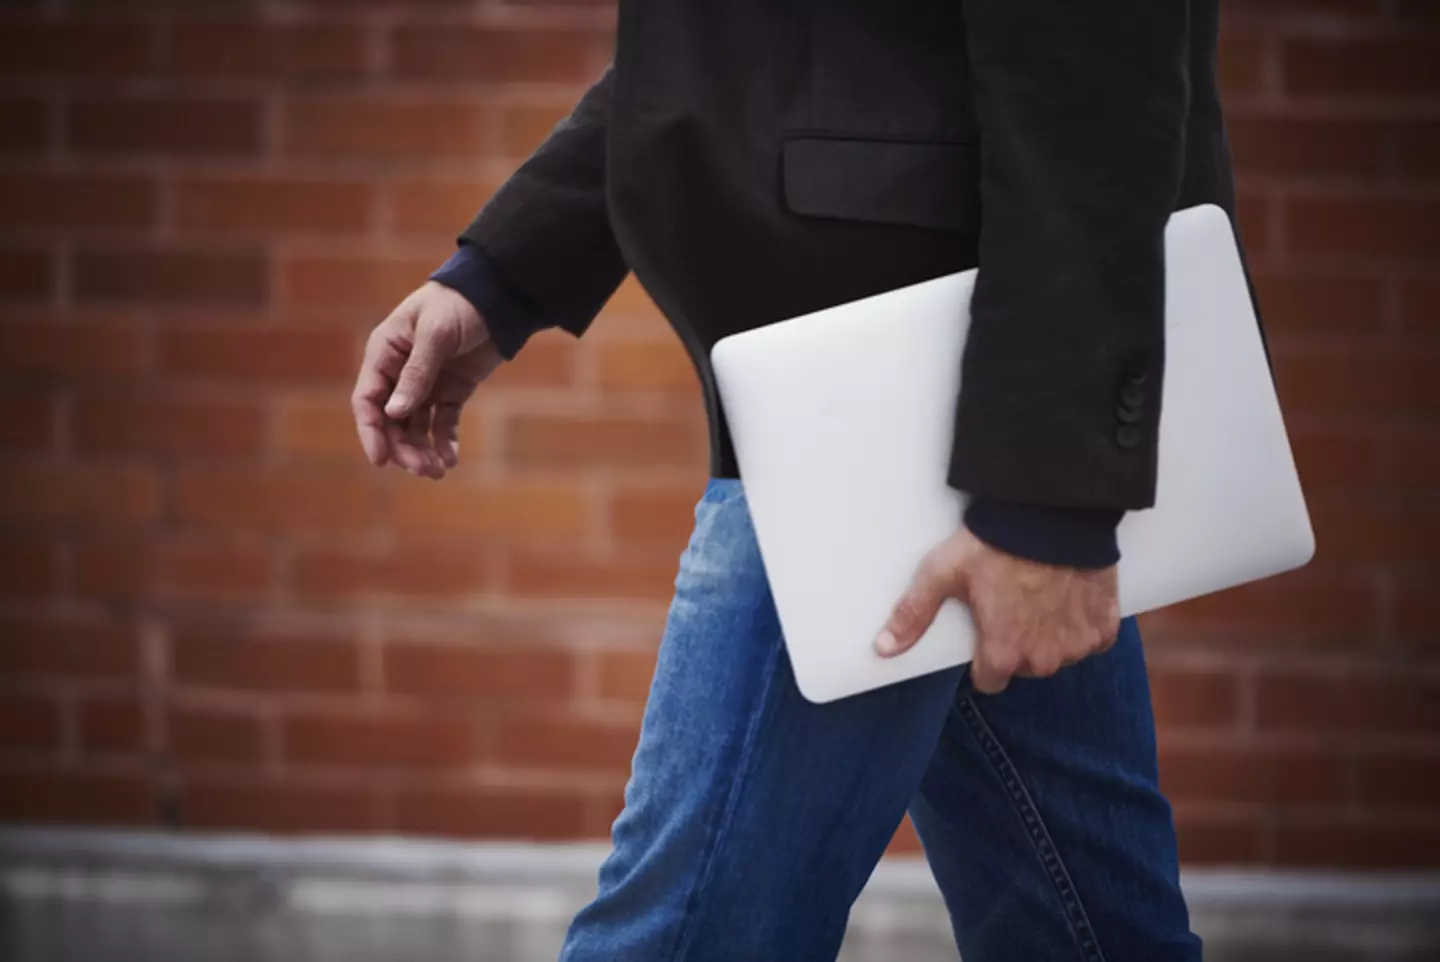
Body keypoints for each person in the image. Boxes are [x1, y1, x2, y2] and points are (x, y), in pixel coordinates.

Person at [353, 1, 1239, 958]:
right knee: (1094, 937)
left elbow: (1093, 51)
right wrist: (505, 272)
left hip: (877, 412)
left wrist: (1047, 499)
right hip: (891, 397)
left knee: (685, 941)